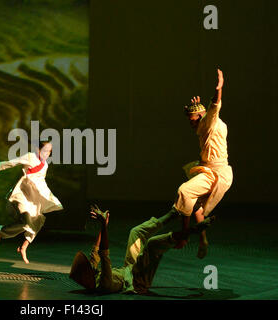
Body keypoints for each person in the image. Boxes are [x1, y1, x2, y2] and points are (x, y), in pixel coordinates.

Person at [69, 205, 215, 294]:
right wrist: (102, 226)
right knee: (152, 244)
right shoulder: (103, 285)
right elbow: (104, 253)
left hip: (130, 268)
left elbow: (95, 251)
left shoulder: (92, 275)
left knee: (135, 232)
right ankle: (194, 230)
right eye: (87, 268)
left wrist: (104, 225)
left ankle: (174, 213)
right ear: (87, 279)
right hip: (137, 282)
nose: (90, 266)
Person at [172, 68, 233, 258]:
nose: (191, 125)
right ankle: (202, 239)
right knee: (196, 205)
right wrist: (196, 108)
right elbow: (207, 112)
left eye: (193, 121)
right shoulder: (207, 122)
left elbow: (214, 105)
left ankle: (183, 235)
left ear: (201, 117)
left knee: (184, 191)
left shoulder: (208, 123)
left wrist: (219, 88)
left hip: (215, 173)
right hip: (208, 168)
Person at [0, 141, 63, 264]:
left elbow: (41, 181)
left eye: (49, 151)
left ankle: (24, 246)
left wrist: (48, 197)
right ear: (38, 150)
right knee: (26, 222)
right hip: (22, 193)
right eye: (45, 150)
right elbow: (13, 162)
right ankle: (0, 231)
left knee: (37, 220)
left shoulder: (45, 165)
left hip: (34, 197)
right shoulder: (30, 156)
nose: (47, 154)